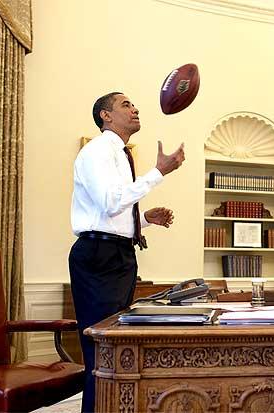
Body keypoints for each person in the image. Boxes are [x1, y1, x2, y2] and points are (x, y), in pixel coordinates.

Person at [68, 91, 185, 412]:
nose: (135, 109)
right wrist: (159, 172)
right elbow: (109, 202)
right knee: (102, 348)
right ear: (105, 115)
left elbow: (110, 214)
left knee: (116, 347)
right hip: (97, 257)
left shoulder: (121, 154)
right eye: (125, 104)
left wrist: (144, 220)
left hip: (119, 254)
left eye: (133, 104)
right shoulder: (96, 152)